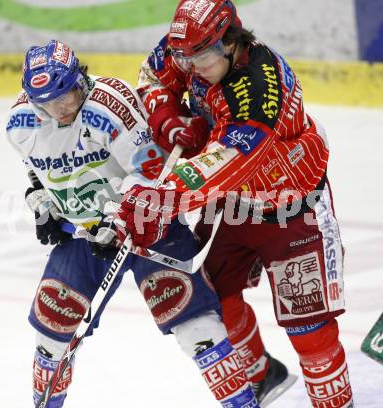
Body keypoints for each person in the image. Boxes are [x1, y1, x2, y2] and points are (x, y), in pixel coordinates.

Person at [6, 39, 272, 408]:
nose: (61, 109)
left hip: (150, 229)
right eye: (48, 104)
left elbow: (150, 169)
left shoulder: (112, 106)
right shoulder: (20, 124)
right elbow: (36, 169)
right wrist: (38, 200)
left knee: (199, 330)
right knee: (51, 337)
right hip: (83, 238)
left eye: (67, 96)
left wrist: (120, 220)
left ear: (79, 78)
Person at [116, 1, 354, 407]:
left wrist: (163, 199)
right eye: (184, 57)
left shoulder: (260, 87)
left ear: (230, 41)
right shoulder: (192, 47)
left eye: (203, 56)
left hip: (291, 209)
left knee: (310, 330)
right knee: (216, 302)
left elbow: (227, 160)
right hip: (231, 205)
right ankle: (262, 374)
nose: (192, 66)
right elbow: (153, 75)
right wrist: (169, 120)